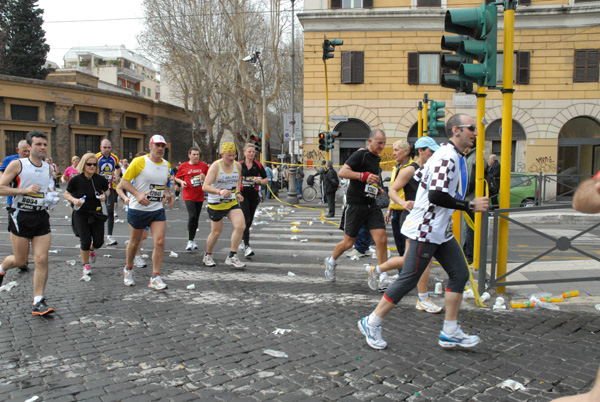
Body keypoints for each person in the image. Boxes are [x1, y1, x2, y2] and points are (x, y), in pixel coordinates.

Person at [358, 114, 489, 350]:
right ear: (457, 130)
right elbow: (435, 195)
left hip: (439, 229)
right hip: (425, 229)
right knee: (409, 278)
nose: (475, 133)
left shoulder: (446, 155)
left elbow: (420, 178)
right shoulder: (447, 157)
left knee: (459, 274)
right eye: (471, 128)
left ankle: (449, 331)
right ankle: (371, 321)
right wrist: (469, 205)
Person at [366, 136, 443, 313]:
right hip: (413, 217)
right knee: (423, 260)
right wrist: (402, 203)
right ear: (421, 151)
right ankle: (422, 298)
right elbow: (391, 191)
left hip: (426, 218)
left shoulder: (429, 168)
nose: (434, 155)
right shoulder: (410, 169)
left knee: (411, 260)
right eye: (431, 151)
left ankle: (376, 270)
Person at [0, 130, 57, 315]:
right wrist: (23, 190)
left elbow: (47, 188)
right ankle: (2, 267)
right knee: (20, 260)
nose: (42, 147)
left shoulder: (49, 168)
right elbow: (1, 188)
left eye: (44, 144)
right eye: (38, 144)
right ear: (29, 146)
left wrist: (50, 197)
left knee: (41, 259)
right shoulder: (18, 165)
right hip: (20, 215)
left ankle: (38, 301)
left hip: (40, 216)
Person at [324, 129, 388, 281]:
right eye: (379, 143)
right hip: (355, 205)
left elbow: (370, 181)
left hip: (371, 205)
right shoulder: (360, 155)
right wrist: (362, 176)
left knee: (381, 239)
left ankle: (382, 274)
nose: (382, 146)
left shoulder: (376, 159)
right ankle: (331, 262)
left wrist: (377, 189)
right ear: (370, 141)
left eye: (384, 143)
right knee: (348, 243)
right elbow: (342, 172)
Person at [119, 135, 174, 290]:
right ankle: (128, 269)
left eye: (163, 146)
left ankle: (155, 277)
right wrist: (137, 194)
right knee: (135, 242)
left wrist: (168, 194)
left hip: (156, 209)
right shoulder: (140, 162)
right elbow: (124, 182)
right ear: (150, 146)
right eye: (157, 145)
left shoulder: (166, 164)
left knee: (160, 241)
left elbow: (163, 183)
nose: (160, 149)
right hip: (138, 209)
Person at [202, 142, 246, 268]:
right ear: (222, 155)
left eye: (234, 155)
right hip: (216, 203)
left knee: (240, 226)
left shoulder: (237, 165)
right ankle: (208, 254)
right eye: (229, 156)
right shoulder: (216, 166)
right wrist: (219, 191)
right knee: (216, 232)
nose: (232, 158)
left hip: (231, 201)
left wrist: (237, 192)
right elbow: (205, 186)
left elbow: (238, 178)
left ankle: (232, 255)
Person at [64, 153, 109, 276]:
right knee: (85, 240)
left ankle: (92, 249)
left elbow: (107, 190)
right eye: (89, 164)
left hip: (96, 212)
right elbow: (66, 193)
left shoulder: (100, 179)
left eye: (94, 164)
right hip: (81, 213)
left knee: (99, 241)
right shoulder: (76, 180)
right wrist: (74, 200)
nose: (92, 166)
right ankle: (86, 265)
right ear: (83, 165)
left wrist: (104, 196)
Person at [115, 152, 149, 269]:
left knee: (144, 235)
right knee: (138, 236)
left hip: (148, 208)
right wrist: (125, 198)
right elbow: (119, 188)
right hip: (134, 208)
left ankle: (131, 243)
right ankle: (137, 257)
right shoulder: (131, 174)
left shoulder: (149, 175)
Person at [174, 147, 209, 251]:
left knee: (196, 217)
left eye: (197, 154)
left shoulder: (203, 166)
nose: (196, 156)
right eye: (194, 154)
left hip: (199, 195)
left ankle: (193, 239)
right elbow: (177, 177)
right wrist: (181, 182)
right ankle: (189, 240)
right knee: (192, 215)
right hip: (188, 194)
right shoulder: (184, 166)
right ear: (189, 155)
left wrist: (204, 178)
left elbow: (210, 178)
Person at [384, 140, 412, 257]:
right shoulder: (396, 167)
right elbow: (393, 190)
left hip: (406, 211)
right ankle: (402, 273)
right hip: (396, 211)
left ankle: (407, 273)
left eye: (396, 150)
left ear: (405, 151)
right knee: (399, 244)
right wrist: (389, 209)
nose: (394, 153)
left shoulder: (411, 168)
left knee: (407, 245)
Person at [239, 143, 268, 257]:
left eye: (253, 152)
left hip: (254, 195)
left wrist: (259, 180)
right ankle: (247, 246)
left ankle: (242, 239)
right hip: (242, 195)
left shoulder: (258, 165)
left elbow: (266, 179)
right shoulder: (239, 165)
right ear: (244, 153)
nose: (251, 154)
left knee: (250, 220)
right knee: (246, 218)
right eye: (249, 152)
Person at [97, 139, 121, 246]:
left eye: (109, 147)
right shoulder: (96, 157)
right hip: (97, 188)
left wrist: (116, 176)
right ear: (100, 147)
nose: (107, 150)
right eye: (105, 147)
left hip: (109, 187)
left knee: (110, 211)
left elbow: (118, 168)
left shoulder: (114, 158)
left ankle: (110, 236)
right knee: (96, 211)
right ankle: (95, 235)